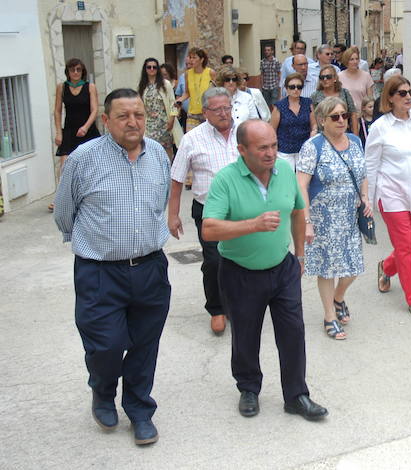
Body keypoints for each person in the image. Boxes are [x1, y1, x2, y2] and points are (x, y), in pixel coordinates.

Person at [53, 88, 171, 446]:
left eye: (137, 114)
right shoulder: (82, 159)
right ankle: (103, 392)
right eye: (122, 116)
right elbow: (64, 214)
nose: (132, 122)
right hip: (100, 272)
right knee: (105, 345)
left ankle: (139, 410)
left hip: (150, 269)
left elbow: (160, 204)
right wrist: (96, 244)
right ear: (106, 120)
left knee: (144, 345)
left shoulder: (159, 158)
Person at [202, 120, 328, 421]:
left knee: (293, 332)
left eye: (273, 145)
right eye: (263, 148)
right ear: (242, 150)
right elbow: (208, 229)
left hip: (282, 268)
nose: (271, 153)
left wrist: (299, 256)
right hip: (240, 271)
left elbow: (298, 211)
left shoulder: (285, 170)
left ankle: (297, 395)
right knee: (246, 333)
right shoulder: (226, 180)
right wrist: (252, 225)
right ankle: (248, 388)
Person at [365, 75, 411, 319]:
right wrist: (369, 201)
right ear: (390, 98)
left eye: (410, 92)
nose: (408, 97)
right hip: (391, 194)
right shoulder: (380, 127)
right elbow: (371, 166)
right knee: (406, 247)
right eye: (402, 93)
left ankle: (385, 268)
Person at [296, 97, 369, 340]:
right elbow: (301, 186)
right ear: (322, 120)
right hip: (323, 217)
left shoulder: (356, 141)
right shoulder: (313, 146)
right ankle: (329, 315)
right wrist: (306, 222)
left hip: (350, 216)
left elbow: (362, 173)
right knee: (327, 269)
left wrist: (366, 199)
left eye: (344, 115)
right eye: (335, 117)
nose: (341, 120)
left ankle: (339, 297)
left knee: (353, 267)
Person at [168, 87, 238, 336]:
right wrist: (173, 215)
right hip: (210, 211)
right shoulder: (192, 139)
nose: (223, 113)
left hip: (244, 210)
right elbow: (176, 179)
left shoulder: (245, 133)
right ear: (205, 111)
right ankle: (217, 309)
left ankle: (239, 304)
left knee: (244, 259)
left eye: (227, 108)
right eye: (217, 109)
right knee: (214, 261)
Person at [53, 57, 100, 177]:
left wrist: (85, 127)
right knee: (65, 167)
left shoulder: (90, 87)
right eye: (72, 69)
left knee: (91, 166)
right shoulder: (61, 87)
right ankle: (65, 194)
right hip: (69, 131)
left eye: (78, 70)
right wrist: (59, 132)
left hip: (87, 131)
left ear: (82, 72)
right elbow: (57, 111)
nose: (75, 72)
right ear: (68, 72)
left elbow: (95, 110)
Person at [138, 57, 181, 161]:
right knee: (150, 149)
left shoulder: (165, 84)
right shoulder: (143, 86)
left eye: (154, 67)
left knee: (166, 149)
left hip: (164, 122)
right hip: (149, 124)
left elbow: (172, 103)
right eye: (149, 67)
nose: (152, 69)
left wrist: (171, 119)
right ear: (145, 69)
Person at [270, 72, 315, 171]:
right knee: (286, 177)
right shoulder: (279, 106)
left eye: (299, 87)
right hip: (284, 150)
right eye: (292, 87)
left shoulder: (308, 103)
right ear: (286, 88)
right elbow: (272, 129)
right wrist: (274, 148)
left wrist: (314, 132)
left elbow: (314, 124)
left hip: (304, 148)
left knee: (303, 178)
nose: (295, 90)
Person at [175, 47, 215, 132]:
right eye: (190, 57)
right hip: (192, 113)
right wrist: (179, 100)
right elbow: (187, 93)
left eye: (194, 58)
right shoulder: (187, 74)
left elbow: (217, 91)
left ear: (201, 60)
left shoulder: (210, 72)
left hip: (208, 113)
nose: (191, 60)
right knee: (192, 140)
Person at [310, 64, 358, 134]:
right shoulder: (315, 95)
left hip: (343, 132)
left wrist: (355, 134)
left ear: (335, 78)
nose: (325, 79)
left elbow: (353, 113)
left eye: (328, 77)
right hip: (323, 133)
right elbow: (313, 117)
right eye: (322, 77)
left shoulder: (344, 93)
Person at [338, 50, 374, 115]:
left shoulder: (366, 76)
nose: (355, 62)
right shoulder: (339, 76)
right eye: (351, 59)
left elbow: (370, 99)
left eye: (357, 59)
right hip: (345, 115)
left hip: (362, 115)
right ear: (346, 61)